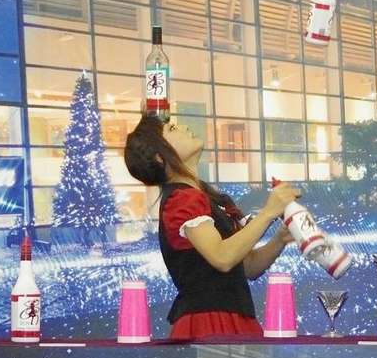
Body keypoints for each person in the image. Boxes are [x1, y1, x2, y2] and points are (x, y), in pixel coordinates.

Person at [124, 115, 301, 339]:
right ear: (160, 157)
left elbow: (247, 267)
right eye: (173, 129)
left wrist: (280, 239)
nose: (184, 126)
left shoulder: (204, 198)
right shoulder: (182, 200)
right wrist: (268, 212)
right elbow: (222, 257)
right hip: (211, 324)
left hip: (230, 320)